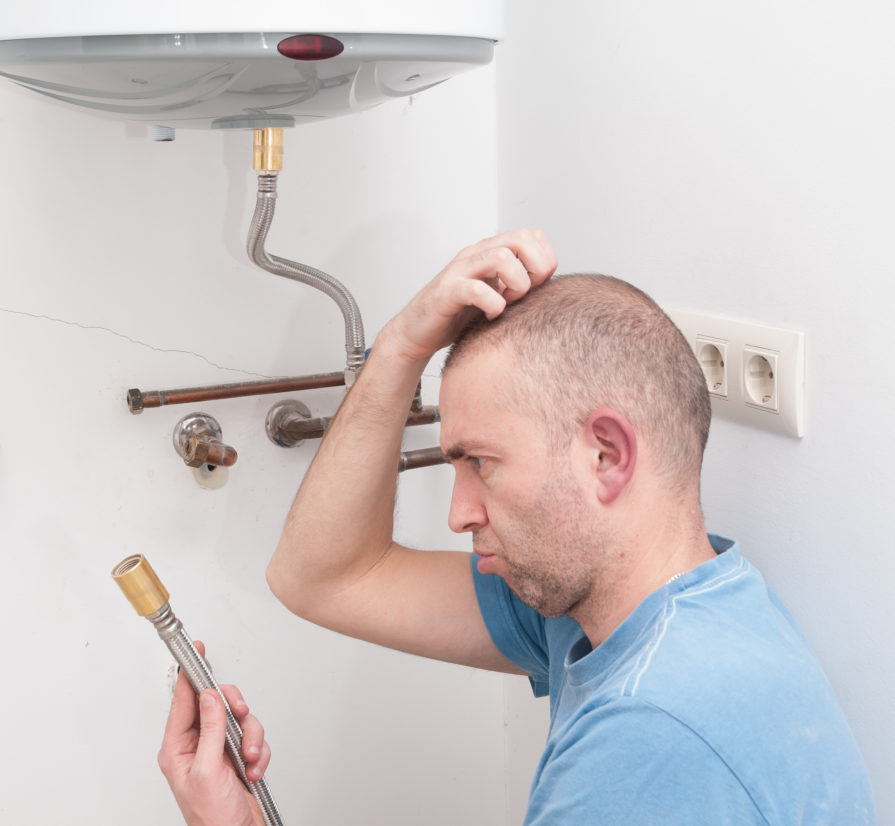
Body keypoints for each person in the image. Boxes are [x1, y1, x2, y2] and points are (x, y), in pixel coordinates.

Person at [159, 230, 875, 824]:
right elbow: (323, 577)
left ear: (606, 456)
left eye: (479, 463)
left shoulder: (650, 731)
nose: (458, 511)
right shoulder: (628, 612)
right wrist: (400, 350)